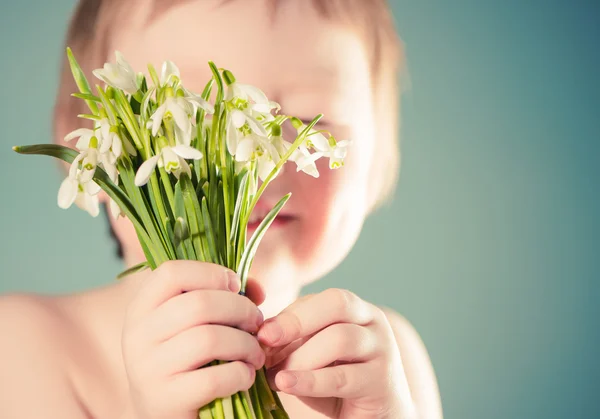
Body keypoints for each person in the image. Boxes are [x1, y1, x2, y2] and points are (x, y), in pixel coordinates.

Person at [0, 0, 443, 417]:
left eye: (313, 118)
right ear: (90, 154)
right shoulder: (22, 348)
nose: (254, 162)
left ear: (377, 157)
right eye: (191, 116)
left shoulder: (386, 362)